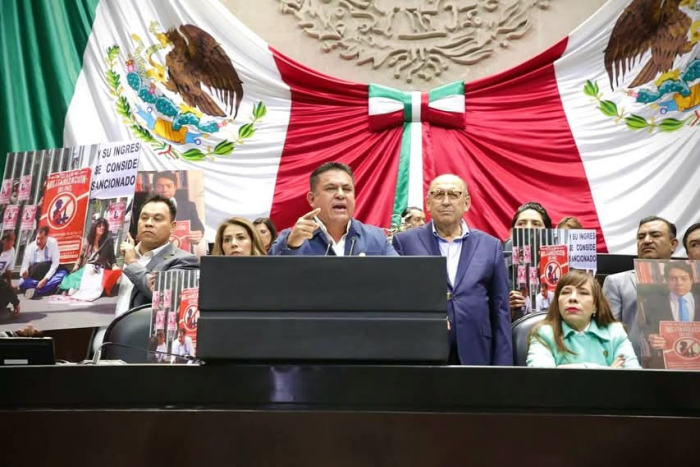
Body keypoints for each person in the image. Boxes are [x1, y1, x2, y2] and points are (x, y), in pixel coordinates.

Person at [392, 174, 511, 365]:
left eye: (453, 194)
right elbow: (397, 302)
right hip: (422, 350)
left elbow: (500, 310)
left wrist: (503, 366)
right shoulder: (406, 242)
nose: (446, 201)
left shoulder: (490, 246)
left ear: (466, 203)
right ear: (428, 203)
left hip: (477, 350)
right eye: (439, 194)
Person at [269, 162, 397, 256]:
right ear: (312, 199)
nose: (341, 195)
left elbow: (400, 277)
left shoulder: (376, 238)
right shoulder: (291, 239)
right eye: (331, 188)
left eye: (347, 189)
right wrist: (291, 246)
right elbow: (270, 275)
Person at [527, 270, 640, 369]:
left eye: (583, 293)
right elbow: (542, 379)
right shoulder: (543, 334)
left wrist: (561, 370)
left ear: (595, 306)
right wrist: (608, 372)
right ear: (557, 302)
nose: (572, 298)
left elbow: (632, 378)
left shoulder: (615, 332)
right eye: (566, 292)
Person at [603, 216, 678, 359]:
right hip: (633, 365)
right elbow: (608, 333)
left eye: (655, 235)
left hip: (684, 363)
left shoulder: (691, 282)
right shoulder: (616, 282)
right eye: (641, 237)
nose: (647, 240)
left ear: (673, 244)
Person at [116, 194, 199, 315]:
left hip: (140, 327)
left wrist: (132, 263)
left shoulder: (185, 260)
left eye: (157, 219)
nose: (148, 223)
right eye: (144, 218)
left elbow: (164, 297)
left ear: (172, 226)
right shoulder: (121, 254)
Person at [642, 262, 700, 352]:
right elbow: (647, 328)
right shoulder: (654, 303)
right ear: (666, 281)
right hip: (668, 354)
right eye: (673, 279)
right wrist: (651, 337)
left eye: (684, 279)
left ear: (691, 280)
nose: (679, 283)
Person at [506, 202, 552, 315]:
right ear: (511, 233)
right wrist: (504, 306)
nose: (528, 228)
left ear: (548, 232)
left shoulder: (561, 266)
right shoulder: (497, 265)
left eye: (536, 224)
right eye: (521, 223)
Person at [59, 217, 117, 296]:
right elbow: (81, 256)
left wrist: (114, 266)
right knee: (71, 289)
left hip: (99, 270)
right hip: (86, 268)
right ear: (95, 228)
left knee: (88, 291)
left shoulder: (108, 242)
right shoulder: (88, 240)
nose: (102, 227)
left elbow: (112, 258)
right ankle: (69, 288)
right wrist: (77, 266)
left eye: (104, 226)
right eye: (99, 226)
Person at [153, 171, 205, 245]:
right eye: (160, 186)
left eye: (169, 186)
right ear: (154, 188)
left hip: (183, 248)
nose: (164, 190)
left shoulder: (189, 206)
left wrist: (198, 235)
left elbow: (199, 227)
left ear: (175, 187)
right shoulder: (146, 208)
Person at [18, 226, 66, 299]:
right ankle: (50, 288)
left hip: (49, 275)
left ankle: (37, 291)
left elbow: (55, 264)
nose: (39, 241)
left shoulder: (53, 243)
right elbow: (24, 266)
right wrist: (25, 272)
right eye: (38, 238)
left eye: (42, 238)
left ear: (47, 236)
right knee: (21, 282)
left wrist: (45, 279)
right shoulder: (30, 247)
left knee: (63, 274)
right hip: (35, 276)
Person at [0, 232, 20, 316]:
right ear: (5, 241)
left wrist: (10, 285)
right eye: (13, 240)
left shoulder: (12, 251)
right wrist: (16, 302)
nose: (14, 243)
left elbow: (8, 272)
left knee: (7, 291)